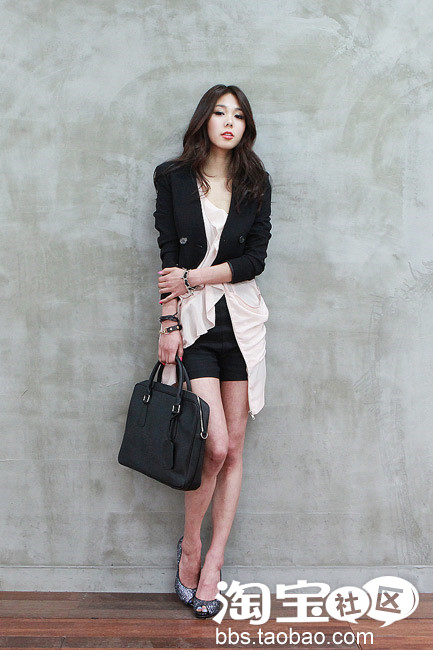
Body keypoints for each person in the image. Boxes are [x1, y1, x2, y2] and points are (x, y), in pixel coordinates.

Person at [153, 84, 272, 618]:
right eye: (220, 112)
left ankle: (215, 561)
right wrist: (168, 322)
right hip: (195, 326)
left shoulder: (255, 182)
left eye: (238, 115)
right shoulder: (173, 178)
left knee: (237, 447)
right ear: (205, 119)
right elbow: (166, 255)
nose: (229, 122)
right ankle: (190, 545)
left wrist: (196, 276)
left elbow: (255, 259)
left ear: (246, 126)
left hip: (242, 324)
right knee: (214, 446)